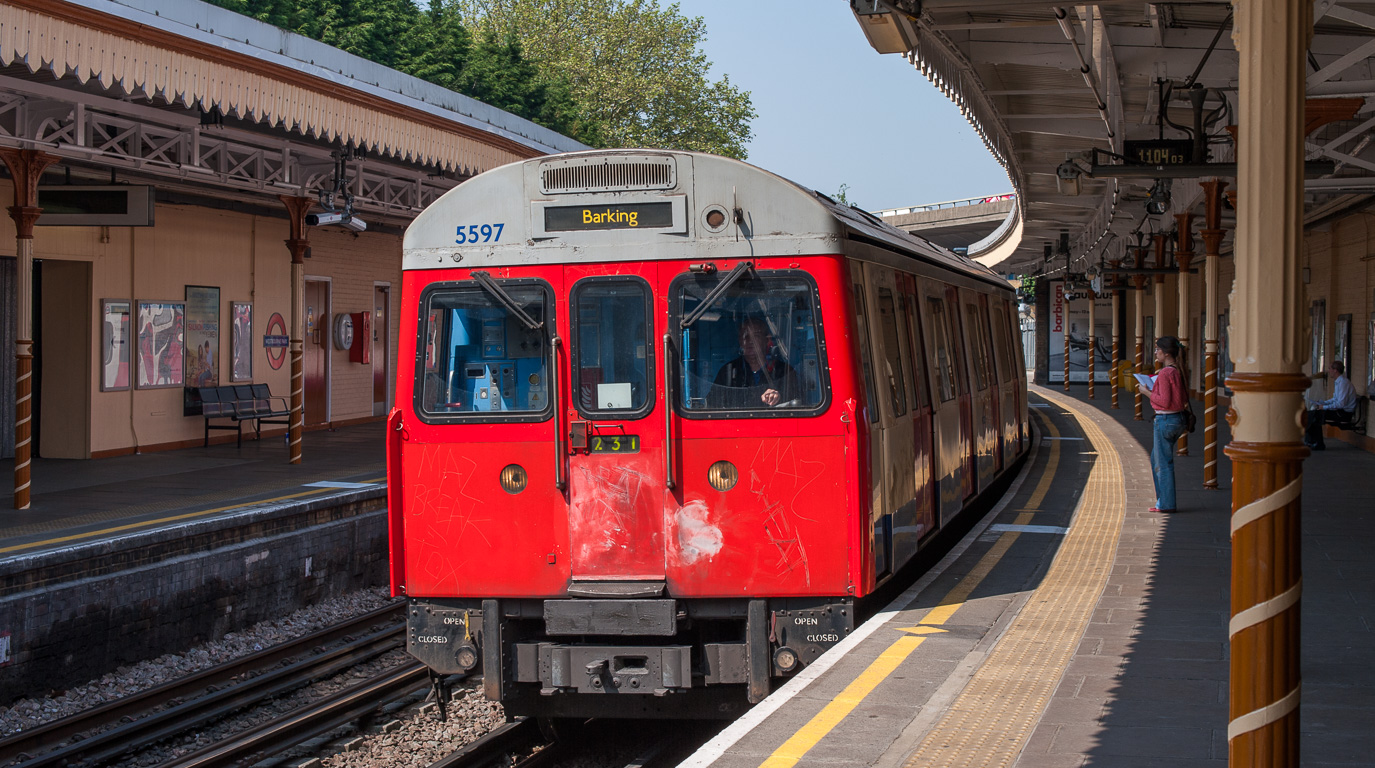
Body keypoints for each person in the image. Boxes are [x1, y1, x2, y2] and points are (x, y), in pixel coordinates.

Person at [1138, 336, 1190, 513]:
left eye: (1157, 349)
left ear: (1166, 353)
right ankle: (1162, 500)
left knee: (1163, 464)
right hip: (1177, 419)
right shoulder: (1178, 370)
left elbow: (1165, 401)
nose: (1155, 353)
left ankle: (1166, 503)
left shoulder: (1166, 372)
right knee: (1156, 459)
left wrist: (1146, 392)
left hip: (1166, 420)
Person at [708, 316, 801, 409]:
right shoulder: (728, 371)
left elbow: (798, 404)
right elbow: (712, 404)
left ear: (766, 340)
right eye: (745, 336)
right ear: (740, 340)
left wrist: (779, 398)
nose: (750, 341)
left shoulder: (785, 371)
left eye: (756, 335)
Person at [1305, 360, 1358, 450]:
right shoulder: (1339, 382)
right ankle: (1311, 441)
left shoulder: (1343, 383)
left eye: (1330, 368)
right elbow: (1335, 399)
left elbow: (1341, 404)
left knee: (1316, 415)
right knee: (1312, 414)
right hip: (1339, 410)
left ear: (1335, 370)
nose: (1328, 371)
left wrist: (1324, 407)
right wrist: (1323, 403)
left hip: (1343, 413)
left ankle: (1317, 443)